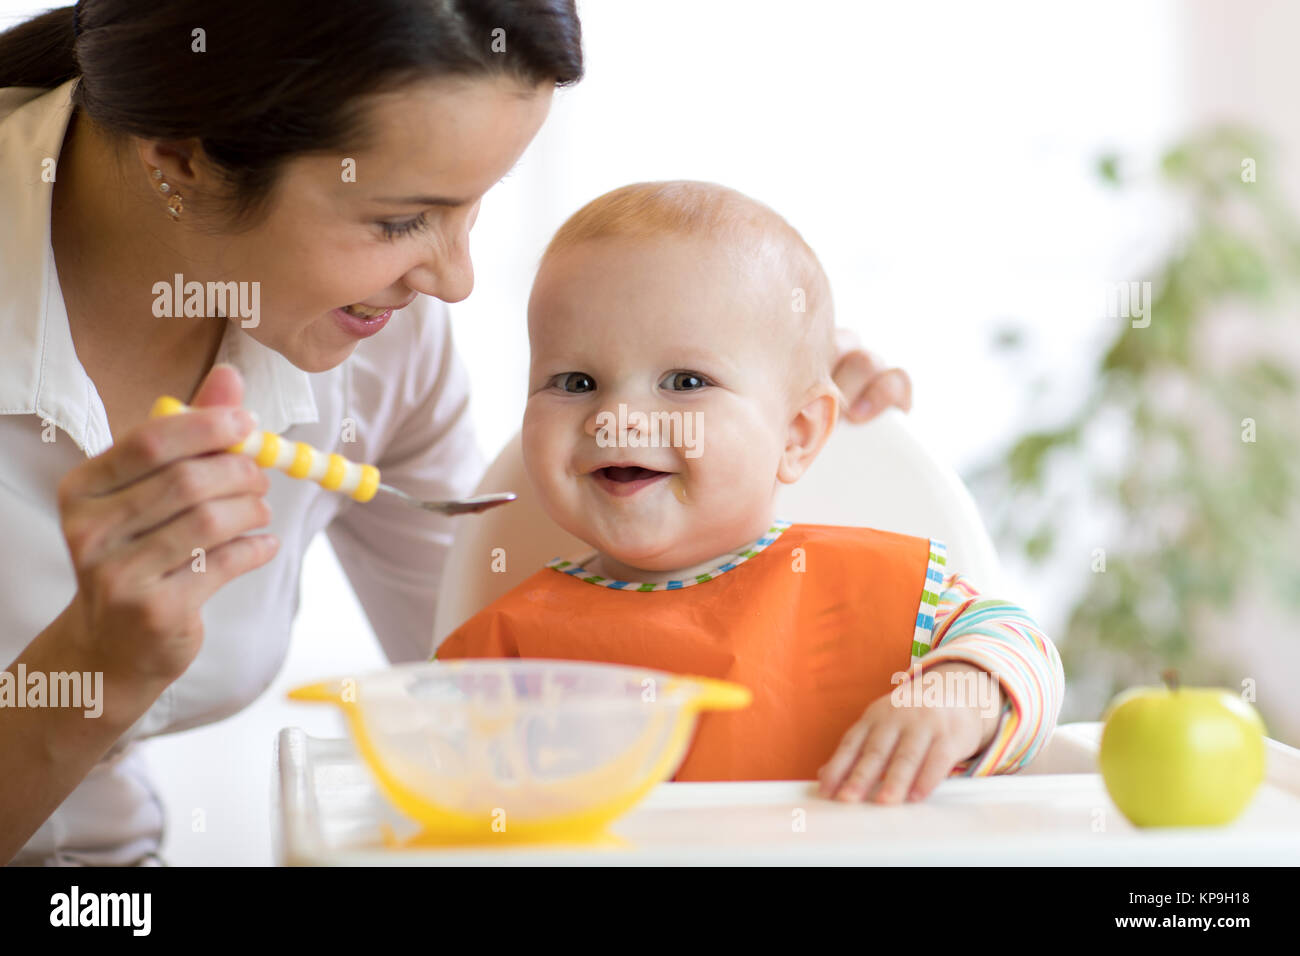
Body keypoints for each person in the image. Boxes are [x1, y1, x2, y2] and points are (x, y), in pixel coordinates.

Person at [0, 4, 909, 865]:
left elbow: (500, 711)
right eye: (402, 219)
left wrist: (748, 373)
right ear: (183, 161)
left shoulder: (378, 344)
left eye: (475, 204)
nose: (456, 280)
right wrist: (92, 671)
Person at [433, 181, 1066, 802]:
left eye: (685, 381)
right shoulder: (504, 647)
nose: (619, 417)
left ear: (795, 433)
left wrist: (953, 698)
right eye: (574, 382)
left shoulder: (880, 593)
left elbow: (1028, 652)